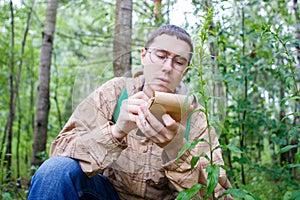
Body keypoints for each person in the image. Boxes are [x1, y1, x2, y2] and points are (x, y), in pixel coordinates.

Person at [28, 24, 232, 200]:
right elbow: (60, 150)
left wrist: (176, 149)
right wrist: (116, 132)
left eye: (178, 62)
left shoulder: (195, 118)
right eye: (160, 55)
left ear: (185, 72)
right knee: (55, 172)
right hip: (108, 194)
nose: (167, 67)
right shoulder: (115, 92)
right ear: (144, 56)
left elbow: (218, 194)